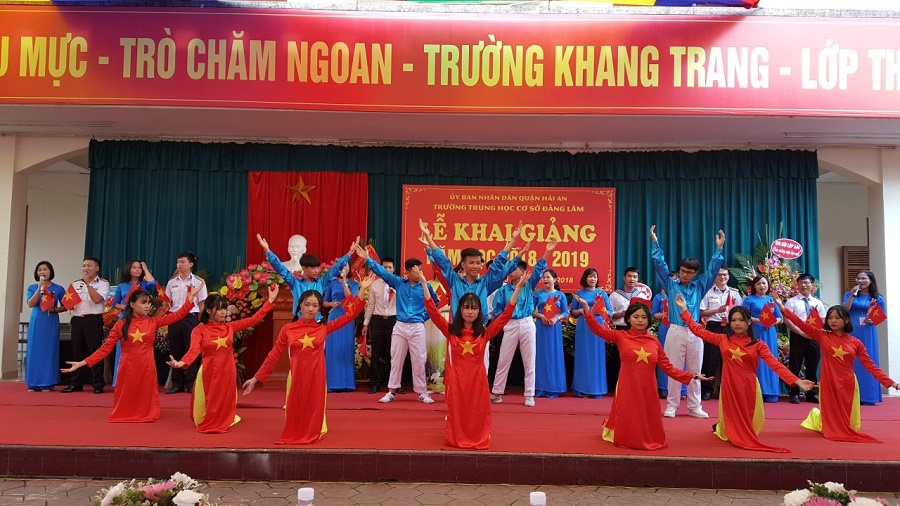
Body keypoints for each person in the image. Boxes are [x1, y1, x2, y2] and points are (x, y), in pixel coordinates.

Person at [243, 275, 376, 445]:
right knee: (296, 409)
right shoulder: (288, 329)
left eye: (315, 306)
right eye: (307, 304)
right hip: (297, 377)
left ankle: (312, 432)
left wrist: (362, 290)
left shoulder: (324, 328)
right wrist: (256, 378)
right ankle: (296, 432)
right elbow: (274, 354)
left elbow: (350, 315)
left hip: (317, 377)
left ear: (320, 309)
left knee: (313, 410)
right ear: (300, 305)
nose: (310, 309)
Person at [676, 295, 814, 453]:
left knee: (746, 418)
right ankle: (727, 429)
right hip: (729, 385)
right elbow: (698, 330)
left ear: (749, 322)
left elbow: (775, 365)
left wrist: (797, 381)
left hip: (748, 386)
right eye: (733, 320)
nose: (737, 323)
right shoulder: (723, 339)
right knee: (731, 416)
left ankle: (737, 432)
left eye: (741, 320)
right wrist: (684, 309)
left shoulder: (758, 344)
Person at [572, 296, 709, 451]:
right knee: (629, 414)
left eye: (644, 317)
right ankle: (626, 436)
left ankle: (646, 437)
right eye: (636, 317)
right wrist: (586, 308)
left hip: (648, 388)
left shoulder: (654, 342)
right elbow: (598, 330)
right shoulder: (621, 336)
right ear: (628, 319)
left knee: (646, 415)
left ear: (649, 320)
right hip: (627, 386)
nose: (640, 320)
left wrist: (693, 376)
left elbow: (668, 368)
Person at [424, 266, 529, 449]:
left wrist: (518, 288)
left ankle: (477, 437)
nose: (470, 312)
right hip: (457, 381)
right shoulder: (451, 331)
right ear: (460, 310)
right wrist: (424, 283)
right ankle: (457, 437)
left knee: (477, 412)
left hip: (478, 381)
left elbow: (505, 315)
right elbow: (432, 311)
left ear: (479, 311)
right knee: (458, 411)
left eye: (474, 308)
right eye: (466, 307)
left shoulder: (484, 332)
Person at [61, 287, 199, 422]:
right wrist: (83, 362)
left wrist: (190, 300)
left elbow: (177, 316)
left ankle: (145, 412)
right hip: (128, 367)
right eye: (143, 302)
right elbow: (105, 349)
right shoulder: (120, 325)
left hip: (147, 367)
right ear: (132, 304)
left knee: (145, 392)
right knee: (128, 393)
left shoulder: (153, 321)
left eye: (149, 303)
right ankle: (128, 412)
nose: (147, 306)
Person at [775, 296, 900, 443]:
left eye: (837, 318)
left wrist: (892, 384)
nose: (833, 321)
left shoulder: (855, 343)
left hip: (847, 383)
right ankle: (826, 423)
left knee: (844, 417)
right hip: (828, 381)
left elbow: (870, 366)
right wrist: (782, 307)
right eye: (830, 318)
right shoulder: (822, 335)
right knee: (831, 416)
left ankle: (832, 423)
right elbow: (800, 323)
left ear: (846, 320)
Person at [167, 284, 278, 433]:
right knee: (205, 408)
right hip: (209, 370)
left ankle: (223, 418)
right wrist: (181, 363)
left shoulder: (229, 327)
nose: (223, 312)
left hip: (227, 370)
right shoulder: (199, 330)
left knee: (225, 400)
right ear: (208, 310)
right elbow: (194, 350)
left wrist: (269, 301)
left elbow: (254, 319)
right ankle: (211, 419)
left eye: (224, 308)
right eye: (219, 309)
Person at [650, 225, 725, 418]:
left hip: (696, 331)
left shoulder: (700, 285)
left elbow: (713, 270)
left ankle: (694, 406)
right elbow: (660, 265)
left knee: (695, 369)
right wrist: (655, 243)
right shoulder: (670, 284)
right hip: (676, 330)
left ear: (695, 273)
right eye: (683, 271)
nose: (685, 274)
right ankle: (672, 405)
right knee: (674, 368)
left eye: (689, 272)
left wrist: (719, 249)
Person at [357, 245, 439, 404]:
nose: (419, 273)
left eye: (420, 270)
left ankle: (422, 392)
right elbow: (382, 272)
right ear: (407, 272)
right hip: (400, 325)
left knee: (419, 359)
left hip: (417, 326)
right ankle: (391, 391)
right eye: (416, 270)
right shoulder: (399, 283)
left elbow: (434, 303)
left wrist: (423, 317)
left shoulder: (426, 286)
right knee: (396, 359)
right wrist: (368, 259)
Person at [489, 241, 556, 407]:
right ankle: (497, 392)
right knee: (504, 360)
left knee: (529, 360)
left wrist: (547, 252)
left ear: (522, 272)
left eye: (514, 269)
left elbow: (539, 269)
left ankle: (529, 394)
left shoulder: (528, 285)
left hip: (527, 323)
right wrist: (503, 321)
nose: (511, 271)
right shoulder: (503, 290)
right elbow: (497, 310)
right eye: (510, 269)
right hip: (510, 324)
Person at [419, 218, 519, 323]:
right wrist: (428, 238)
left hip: (479, 329)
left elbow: (497, 264)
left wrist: (513, 240)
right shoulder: (455, 281)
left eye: (478, 263)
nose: (475, 266)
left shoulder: (484, 283)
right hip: (458, 329)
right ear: (463, 264)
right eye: (471, 263)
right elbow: (444, 262)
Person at [257, 233, 356, 318]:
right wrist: (268, 251)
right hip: (299, 323)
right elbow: (280, 268)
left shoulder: (321, 283)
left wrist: (349, 253)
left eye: (317, 267)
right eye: (313, 268)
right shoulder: (295, 283)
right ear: (304, 268)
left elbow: (335, 269)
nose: (316, 271)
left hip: (317, 324)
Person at [62, 257, 111, 394]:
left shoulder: (103, 283)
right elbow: (68, 304)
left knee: (95, 351)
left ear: (97, 268)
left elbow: (97, 299)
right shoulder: (76, 284)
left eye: (89, 266)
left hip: (93, 320)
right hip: (77, 320)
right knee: (77, 351)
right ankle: (75, 383)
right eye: (84, 266)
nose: (85, 268)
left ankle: (97, 384)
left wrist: (88, 285)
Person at [164, 251, 209, 394]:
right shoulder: (172, 282)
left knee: (192, 349)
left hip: (191, 318)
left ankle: (191, 383)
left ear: (191, 264)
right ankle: (177, 383)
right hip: (174, 318)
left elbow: (202, 303)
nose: (179, 265)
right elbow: (167, 303)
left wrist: (202, 321)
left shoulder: (198, 282)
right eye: (178, 262)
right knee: (175, 350)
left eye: (183, 262)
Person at [698, 268, 743, 401]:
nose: (722, 277)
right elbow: (701, 312)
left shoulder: (734, 293)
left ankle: (726, 390)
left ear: (728, 277)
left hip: (730, 328)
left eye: (725, 275)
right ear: (715, 277)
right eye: (719, 275)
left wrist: (731, 318)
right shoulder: (708, 292)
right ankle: (706, 389)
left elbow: (740, 311)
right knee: (710, 359)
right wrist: (717, 310)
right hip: (713, 327)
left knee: (729, 358)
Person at [842, 270, 886, 405]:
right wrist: (852, 295)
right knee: (851, 360)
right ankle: (849, 395)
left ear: (870, 281)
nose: (860, 281)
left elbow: (882, 316)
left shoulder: (877, 297)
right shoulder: (849, 294)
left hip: (867, 331)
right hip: (851, 330)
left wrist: (873, 320)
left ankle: (868, 395)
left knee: (867, 359)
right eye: (858, 278)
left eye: (863, 278)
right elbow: (844, 310)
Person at [111, 260, 158, 386]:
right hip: (126, 319)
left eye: (139, 268)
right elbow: (115, 304)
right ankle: (120, 380)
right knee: (124, 350)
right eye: (134, 267)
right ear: (128, 269)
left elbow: (153, 283)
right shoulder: (122, 286)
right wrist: (129, 308)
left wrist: (146, 268)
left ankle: (141, 380)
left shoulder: (144, 285)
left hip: (142, 320)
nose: (137, 270)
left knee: (142, 350)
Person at [569, 267, 612, 399]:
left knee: (596, 356)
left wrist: (600, 311)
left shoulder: (602, 293)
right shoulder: (579, 293)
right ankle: (581, 389)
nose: (592, 279)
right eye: (590, 276)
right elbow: (572, 312)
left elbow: (610, 312)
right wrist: (583, 311)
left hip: (598, 326)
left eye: (595, 276)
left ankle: (596, 389)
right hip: (583, 326)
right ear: (585, 278)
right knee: (583, 355)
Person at [784, 274, 826, 404]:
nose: (803, 285)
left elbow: (823, 319)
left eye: (806, 282)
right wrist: (801, 333)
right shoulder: (791, 302)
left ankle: (811, 393)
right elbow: (787, 320)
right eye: (801, 282)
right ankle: (794, 392)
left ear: (812, 285)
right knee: (795, 365)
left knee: (812, 365)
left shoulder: (817, 303)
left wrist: (815, 333)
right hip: (798, 336)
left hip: (814, 337)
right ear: (797, 285)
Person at [24, 261, 66, 391]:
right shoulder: (32, 287)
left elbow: (66, 305)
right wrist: (39, 289)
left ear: (50, 271)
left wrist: (55, 310)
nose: (42, 272)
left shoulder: (58, 288)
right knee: (34, 350)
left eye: (45, 269)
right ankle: (33, 383)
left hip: (51, 321)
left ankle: (48, 382)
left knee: (49, 351)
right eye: (39, 270)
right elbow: (30, 304)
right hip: (37, 321)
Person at [741, 275, 783, 403]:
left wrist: (773, 322)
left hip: (769, 333)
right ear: (754, 286)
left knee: (770, 359)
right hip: (755, 332)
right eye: (758, 283)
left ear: (768, 285)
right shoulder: (749, 300)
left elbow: (779, 317)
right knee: (756, 360)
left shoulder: (771, 300)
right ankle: (756, 391)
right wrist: (760, 320)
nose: (762, 286)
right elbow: (744, 317)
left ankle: (771, 391)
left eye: (764, 283)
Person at [362, 256, 397, 395]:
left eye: (390, 267)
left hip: (394, 321)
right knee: (376, 353)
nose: (387, 269)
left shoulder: (398, 283)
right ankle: (375, 383)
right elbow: (370, 306)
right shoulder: (375, 285)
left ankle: (395, 383)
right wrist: (365, 323)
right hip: (377, 321)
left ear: (393, 269)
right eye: (384, 267)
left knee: (395, 353)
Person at [323, 264, 359, 392]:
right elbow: (324, 302)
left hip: (347, 317)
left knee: (345, 349)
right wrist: (331, 303)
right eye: (341, 266)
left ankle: (347, 383)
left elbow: (350, 298)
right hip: (334, 315)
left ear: (349, 268)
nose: (343, 268)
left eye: (346, 266)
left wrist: (344, 282)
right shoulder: (331, 283)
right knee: (333, 349)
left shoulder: (354, 284)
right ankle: (332, 383)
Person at [533, 269, 568, 398]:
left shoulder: (561, 295)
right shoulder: (538, 294)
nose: (545, 279)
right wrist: (541, 316)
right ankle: (540, 387)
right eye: (544, 277)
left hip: (554, 327)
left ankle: (554, 387)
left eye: (548, 277)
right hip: (541, 327)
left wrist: (556, 318)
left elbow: (565, 312)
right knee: (540, 356)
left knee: (554, 356)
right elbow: (530, 310)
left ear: (555, 279)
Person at [651, 271, 678, 398]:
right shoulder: (658, 297)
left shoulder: (681, 295)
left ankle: (682, 389)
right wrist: (665, 314)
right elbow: (653, 314)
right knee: (664, 356)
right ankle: (664, 388)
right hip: (665, 327)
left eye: (675, 280)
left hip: (679, 327)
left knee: (679, 356)